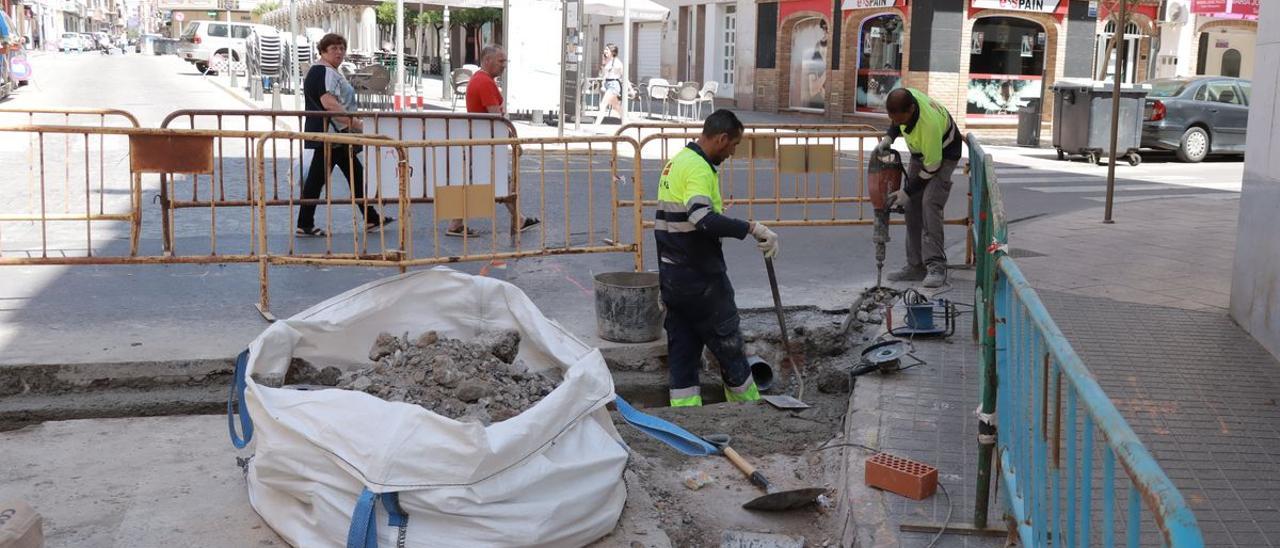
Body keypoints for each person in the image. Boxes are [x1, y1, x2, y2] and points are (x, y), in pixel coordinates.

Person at [656, 109, 779, 407]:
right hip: (701, 278)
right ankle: (748, 407)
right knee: (729, 345)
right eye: (734, 145)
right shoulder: (698, 168)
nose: (733, 152)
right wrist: (750, 227)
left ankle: (686, 416)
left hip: (672, 277)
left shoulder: (677, 162)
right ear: (722, 139)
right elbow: (701, 217)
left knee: (683, 352)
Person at [296, 33, 391, 237]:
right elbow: (329, 102)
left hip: (332, 134)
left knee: (354, 174)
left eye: (341, 48)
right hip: (333, 134)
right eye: (334, 49)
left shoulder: (322, 71)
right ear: (323, 51)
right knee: (320, 179)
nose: (339, 52)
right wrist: (354, 123)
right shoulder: (325, 72)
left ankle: (371, 217)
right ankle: (305, 223)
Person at [875, 87, 963, 288]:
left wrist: (906, 191)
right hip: (921, 152)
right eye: (892, 118)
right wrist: (889, 136)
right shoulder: (904, 102)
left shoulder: (928, 125)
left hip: (944, 153)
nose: (896, 122)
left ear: (912, 110)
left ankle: (937, 266)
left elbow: (932, 166)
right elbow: (896, 121)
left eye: (900, 119)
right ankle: (915, 266)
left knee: (930, 203)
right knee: (911, 206)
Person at [455, 43, 540, 237]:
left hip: (482, 141)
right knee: (501, 181)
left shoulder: (480, 79)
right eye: (501, 61)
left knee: (490, 181)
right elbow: (497, 118)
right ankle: (518, 219)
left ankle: (458, 222)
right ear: (487, 60)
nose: (504, 65)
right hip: (486, 142)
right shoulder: (485, 82)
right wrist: (513, 141)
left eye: (505, 61)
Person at [594, 43, 623, 126]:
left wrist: (631, 89)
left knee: (603, 104)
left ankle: (596, 126)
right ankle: (626, 122)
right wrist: (603, 61)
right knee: (616, 107)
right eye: (605, 49)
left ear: (612, 52)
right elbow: (603, 74)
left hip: (614, 85)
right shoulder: (607, 61)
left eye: (607, 49)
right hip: (607, 84)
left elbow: (624, 76)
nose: (604, 51)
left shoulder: (617, 63)